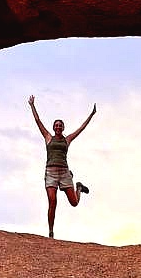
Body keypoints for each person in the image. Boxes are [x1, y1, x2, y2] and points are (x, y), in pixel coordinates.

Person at [27, 95, 97, 239]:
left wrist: (91, 114)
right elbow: (37, 121)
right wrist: (32, 105)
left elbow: (81, 128)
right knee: (52, 200)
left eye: (60, 125)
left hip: (64, 173)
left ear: (63, 127)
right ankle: (51, 232)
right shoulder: (47, 137)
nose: (58, 127)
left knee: (74, 203)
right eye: (56, 125)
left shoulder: (67, 139)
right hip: (51, 172)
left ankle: (78, 187)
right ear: (54, 127)